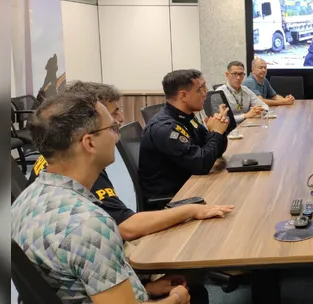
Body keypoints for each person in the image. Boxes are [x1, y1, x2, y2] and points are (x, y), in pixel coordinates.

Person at [12, 93, 191, 303]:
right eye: (112, 129)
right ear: (89, 143)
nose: (117, 135)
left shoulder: (24, 201)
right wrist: (177, 298)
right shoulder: (90, 225)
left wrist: (145, 288)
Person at [139, 70, 230, 210]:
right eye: (200, 89)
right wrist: (216, 132)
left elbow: (213, 151)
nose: (205, 93)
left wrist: (218, 131)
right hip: (173, 200)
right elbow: (201, 163)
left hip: (190, 184)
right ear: (183, 96)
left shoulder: (185, 117)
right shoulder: (166, 128)